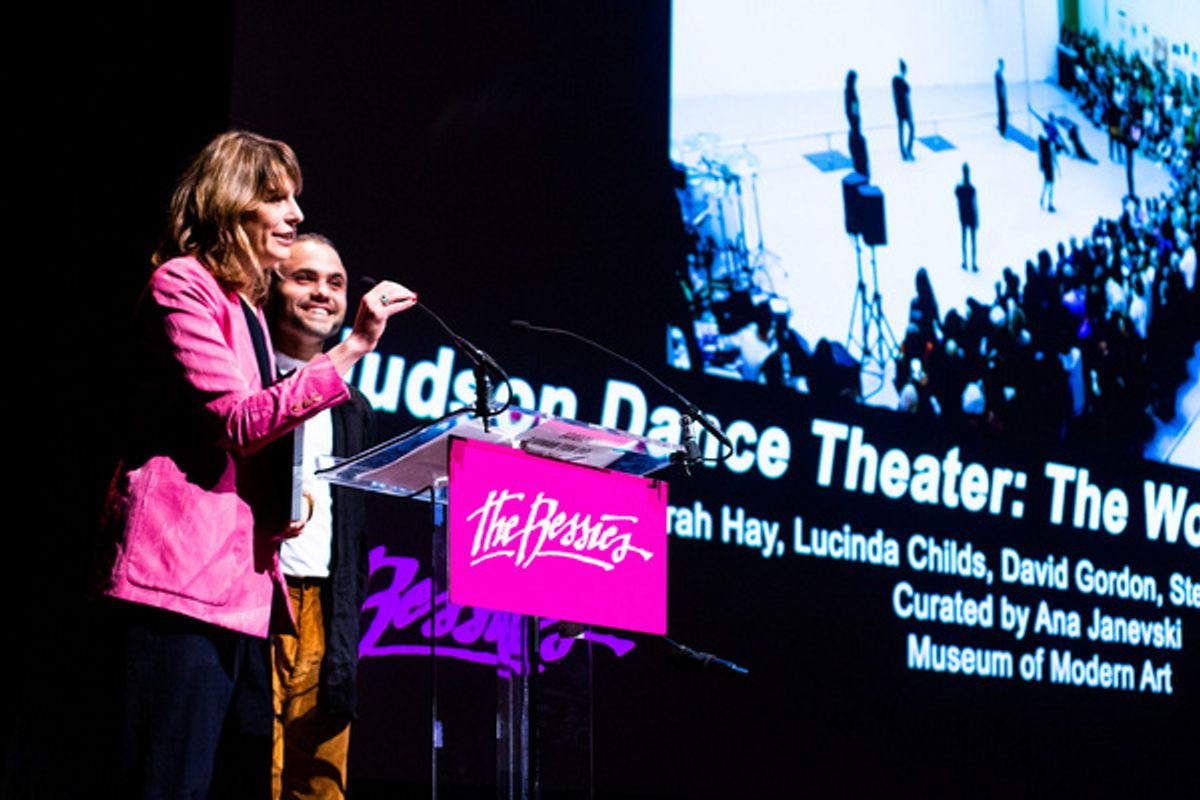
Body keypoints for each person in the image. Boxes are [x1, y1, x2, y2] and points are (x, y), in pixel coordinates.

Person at [95, 130, 416, 798]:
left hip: (238, 595)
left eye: (294, 197)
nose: (295, 214)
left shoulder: (246, 311)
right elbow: (239, 421)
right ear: (232, 204)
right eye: (277, 197)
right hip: (177, 585)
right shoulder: (182, 284)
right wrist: (355, 344)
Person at [267, 234, 375, 799]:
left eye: (335, 283)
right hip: (261, 601)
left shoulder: (355, 405)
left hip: (327, 612)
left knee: (320, 783)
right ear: (270, 286)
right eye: (304, 277)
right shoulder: (247, 375)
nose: (323, 293)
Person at [955, 163, 979, 271]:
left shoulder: (960, 189)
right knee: (972, 240)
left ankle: (965, 261)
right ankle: (973, 263)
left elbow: (956, 193)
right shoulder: (971, 189)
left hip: (964, 216)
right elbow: (975, 205)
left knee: (964, 239)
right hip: (971, 216)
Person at [892, 59, 914, 160]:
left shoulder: (901, 82)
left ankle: (907, 150)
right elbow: (905, 90)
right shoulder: (897, 81)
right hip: (902, 111)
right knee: (903, 132)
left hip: (905, 111)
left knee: (909, 130)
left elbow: (907, 90)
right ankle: (904, 152)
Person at [1038, 134, 1057, 212]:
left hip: (1046, 167)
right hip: (1049, 167)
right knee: (1050, 184)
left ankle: (1043, 200)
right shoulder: (1048, 146)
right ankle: (1049, 204)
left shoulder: (1043, 146)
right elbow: (1052, 156)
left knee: (1046, 184)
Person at [995, 59, 1008, 137]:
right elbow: (1000, 87)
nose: (1004, 67)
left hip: (1001, 97)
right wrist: (1002, 96)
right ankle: (1002, 130)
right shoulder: (998, 74)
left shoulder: (999, 74)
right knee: (1003, 112)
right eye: (1003, 65)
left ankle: (1002, 129)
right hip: (1001, 97)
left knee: (1002, 112)